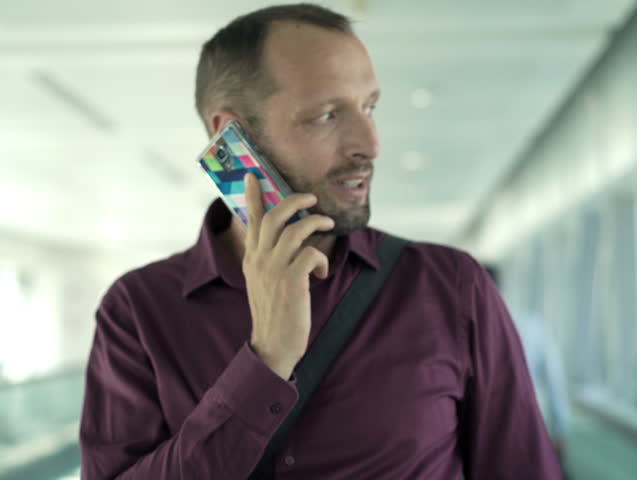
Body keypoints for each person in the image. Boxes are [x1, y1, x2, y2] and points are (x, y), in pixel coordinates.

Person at [79, 4, 562, 479]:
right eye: (327, 115)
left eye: (369, 107)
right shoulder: (138, 311)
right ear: (232, 136)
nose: (369, 145)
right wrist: (265, 362)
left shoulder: (450, 286)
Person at [485, 265, 572, 476]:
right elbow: (555, 382)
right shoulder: (533, 325)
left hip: (485, 429)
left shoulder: (466, 327)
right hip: (529, 424)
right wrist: (561, 431)